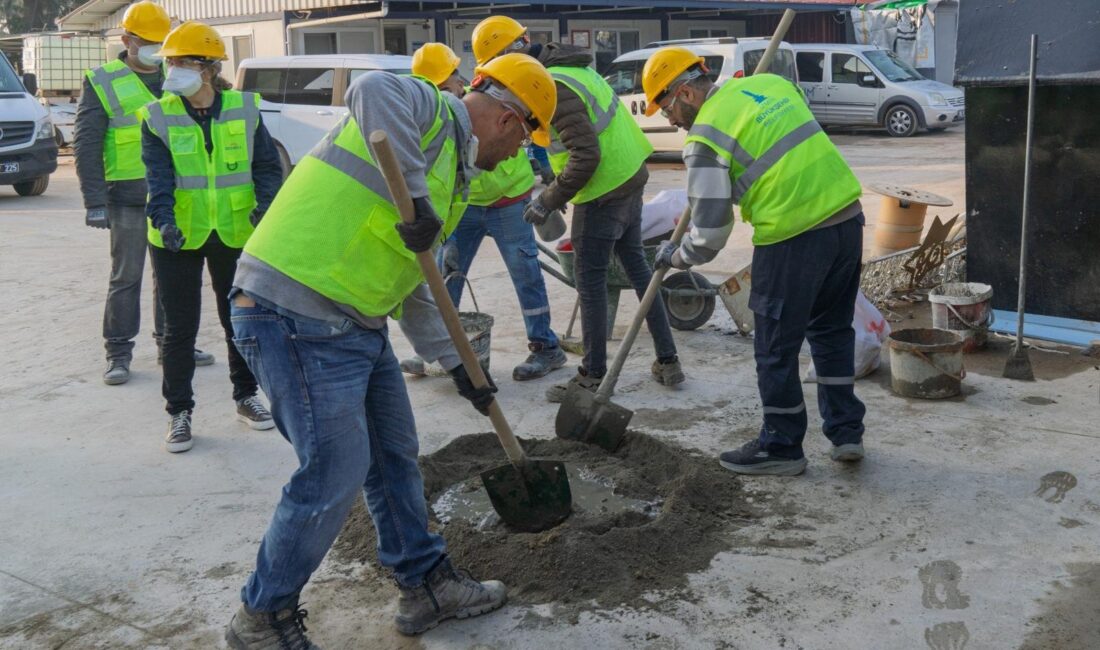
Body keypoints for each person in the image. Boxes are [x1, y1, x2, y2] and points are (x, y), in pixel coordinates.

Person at [224, 53, 557, 647]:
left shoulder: (453, 178)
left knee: (394, 457)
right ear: (509, 120)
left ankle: (426, 585)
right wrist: (420, 202)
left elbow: (419, 283)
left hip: (354, 321)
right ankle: (262, 618)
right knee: (335, 471)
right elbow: (376, 87)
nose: (516, 155)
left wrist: (462, 367)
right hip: (290, 310)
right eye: (526, 140)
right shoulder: (433, 114)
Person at [643, 47, 867, 476]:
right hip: (846, 219)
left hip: (792, 236)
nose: (669, 119)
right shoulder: (769, 85)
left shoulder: (704, 138)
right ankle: (846, 433)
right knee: (831, 331)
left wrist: (677, 256)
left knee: (775, 348)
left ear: (687, 93)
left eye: (667, 106)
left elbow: (709, 236)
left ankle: (782, 447)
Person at [470, 16, 684, 403]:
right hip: (629, 172)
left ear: (508, 54)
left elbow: (585, 156)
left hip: (603, 188)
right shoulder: (572, 68)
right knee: (637, 269)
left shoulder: (554, 84)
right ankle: (668, 360)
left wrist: (549, 198)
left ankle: (592, 375)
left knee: (591, 282)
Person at [140, 21, 284, 453]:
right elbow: (158, 177)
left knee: (238, 321)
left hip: (236, 230)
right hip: (177, 236)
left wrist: (266, 205)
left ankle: (245, 398)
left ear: (206, 68)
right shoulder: (158, 115)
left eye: (181, 62)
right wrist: (163, 218)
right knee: (179, 329)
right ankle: (179, 413)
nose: (172, 70)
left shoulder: (245, 108)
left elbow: (266, 167)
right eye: (170, 62)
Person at [402, 41, 566, 381]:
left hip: (509, 201)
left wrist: (547, 177)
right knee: (446, 276)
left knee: (526, 275)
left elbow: (529, 138)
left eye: (445, 84)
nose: (442, 92)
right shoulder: (444, 112)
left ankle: (545, 347)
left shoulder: (490, 100)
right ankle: (438, 350)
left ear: (456, 77)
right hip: (468, 205)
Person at [74, 0, 214, 385]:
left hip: (173, 194)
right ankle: (118, 352)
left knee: (171, 276)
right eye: (149, 41)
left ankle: (172, 344)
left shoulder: (177, 76)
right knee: (127, 276)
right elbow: (86, 143)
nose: (158, 48)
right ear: (127, 40)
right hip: (127, 197)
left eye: (162, 40)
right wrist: (94, 201)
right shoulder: (102, 79)